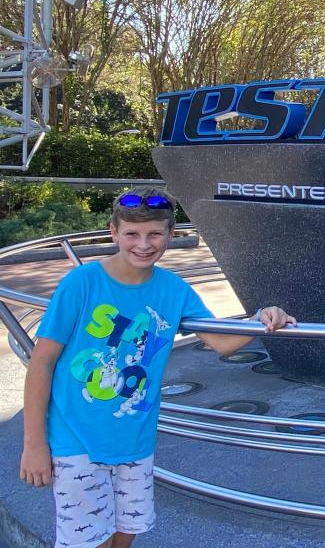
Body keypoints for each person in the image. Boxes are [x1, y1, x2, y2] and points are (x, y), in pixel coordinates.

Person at [19, 188, 297, 548]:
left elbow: (221, 342)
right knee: (87, 543)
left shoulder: (174, 290)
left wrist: (263, 317)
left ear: (170, 234)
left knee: (124, 536)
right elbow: (42, 362)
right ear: (114, 232)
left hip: (134, 442)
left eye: (155, 234)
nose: (143, 244)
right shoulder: (82, 283)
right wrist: (34, 445)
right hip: (76, 441)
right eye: (132, 234)